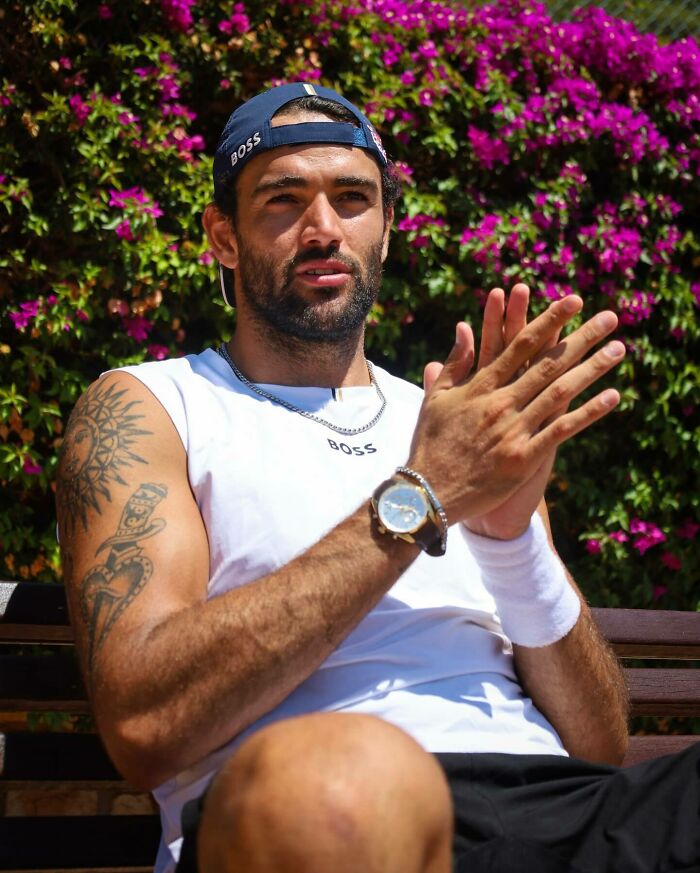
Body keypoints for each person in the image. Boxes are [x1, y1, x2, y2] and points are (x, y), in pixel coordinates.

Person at [55, 83, 699, 873]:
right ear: (222, 234)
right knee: (355, 781)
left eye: (353, 198)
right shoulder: (156, 406)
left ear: (387, 228)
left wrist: (509, 545)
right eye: (283, 200)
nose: (323, 229)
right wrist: (420, 495)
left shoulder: (455, 425)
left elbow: (599, 745)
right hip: (321, 809)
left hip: (549, 812)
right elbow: (145, 722)